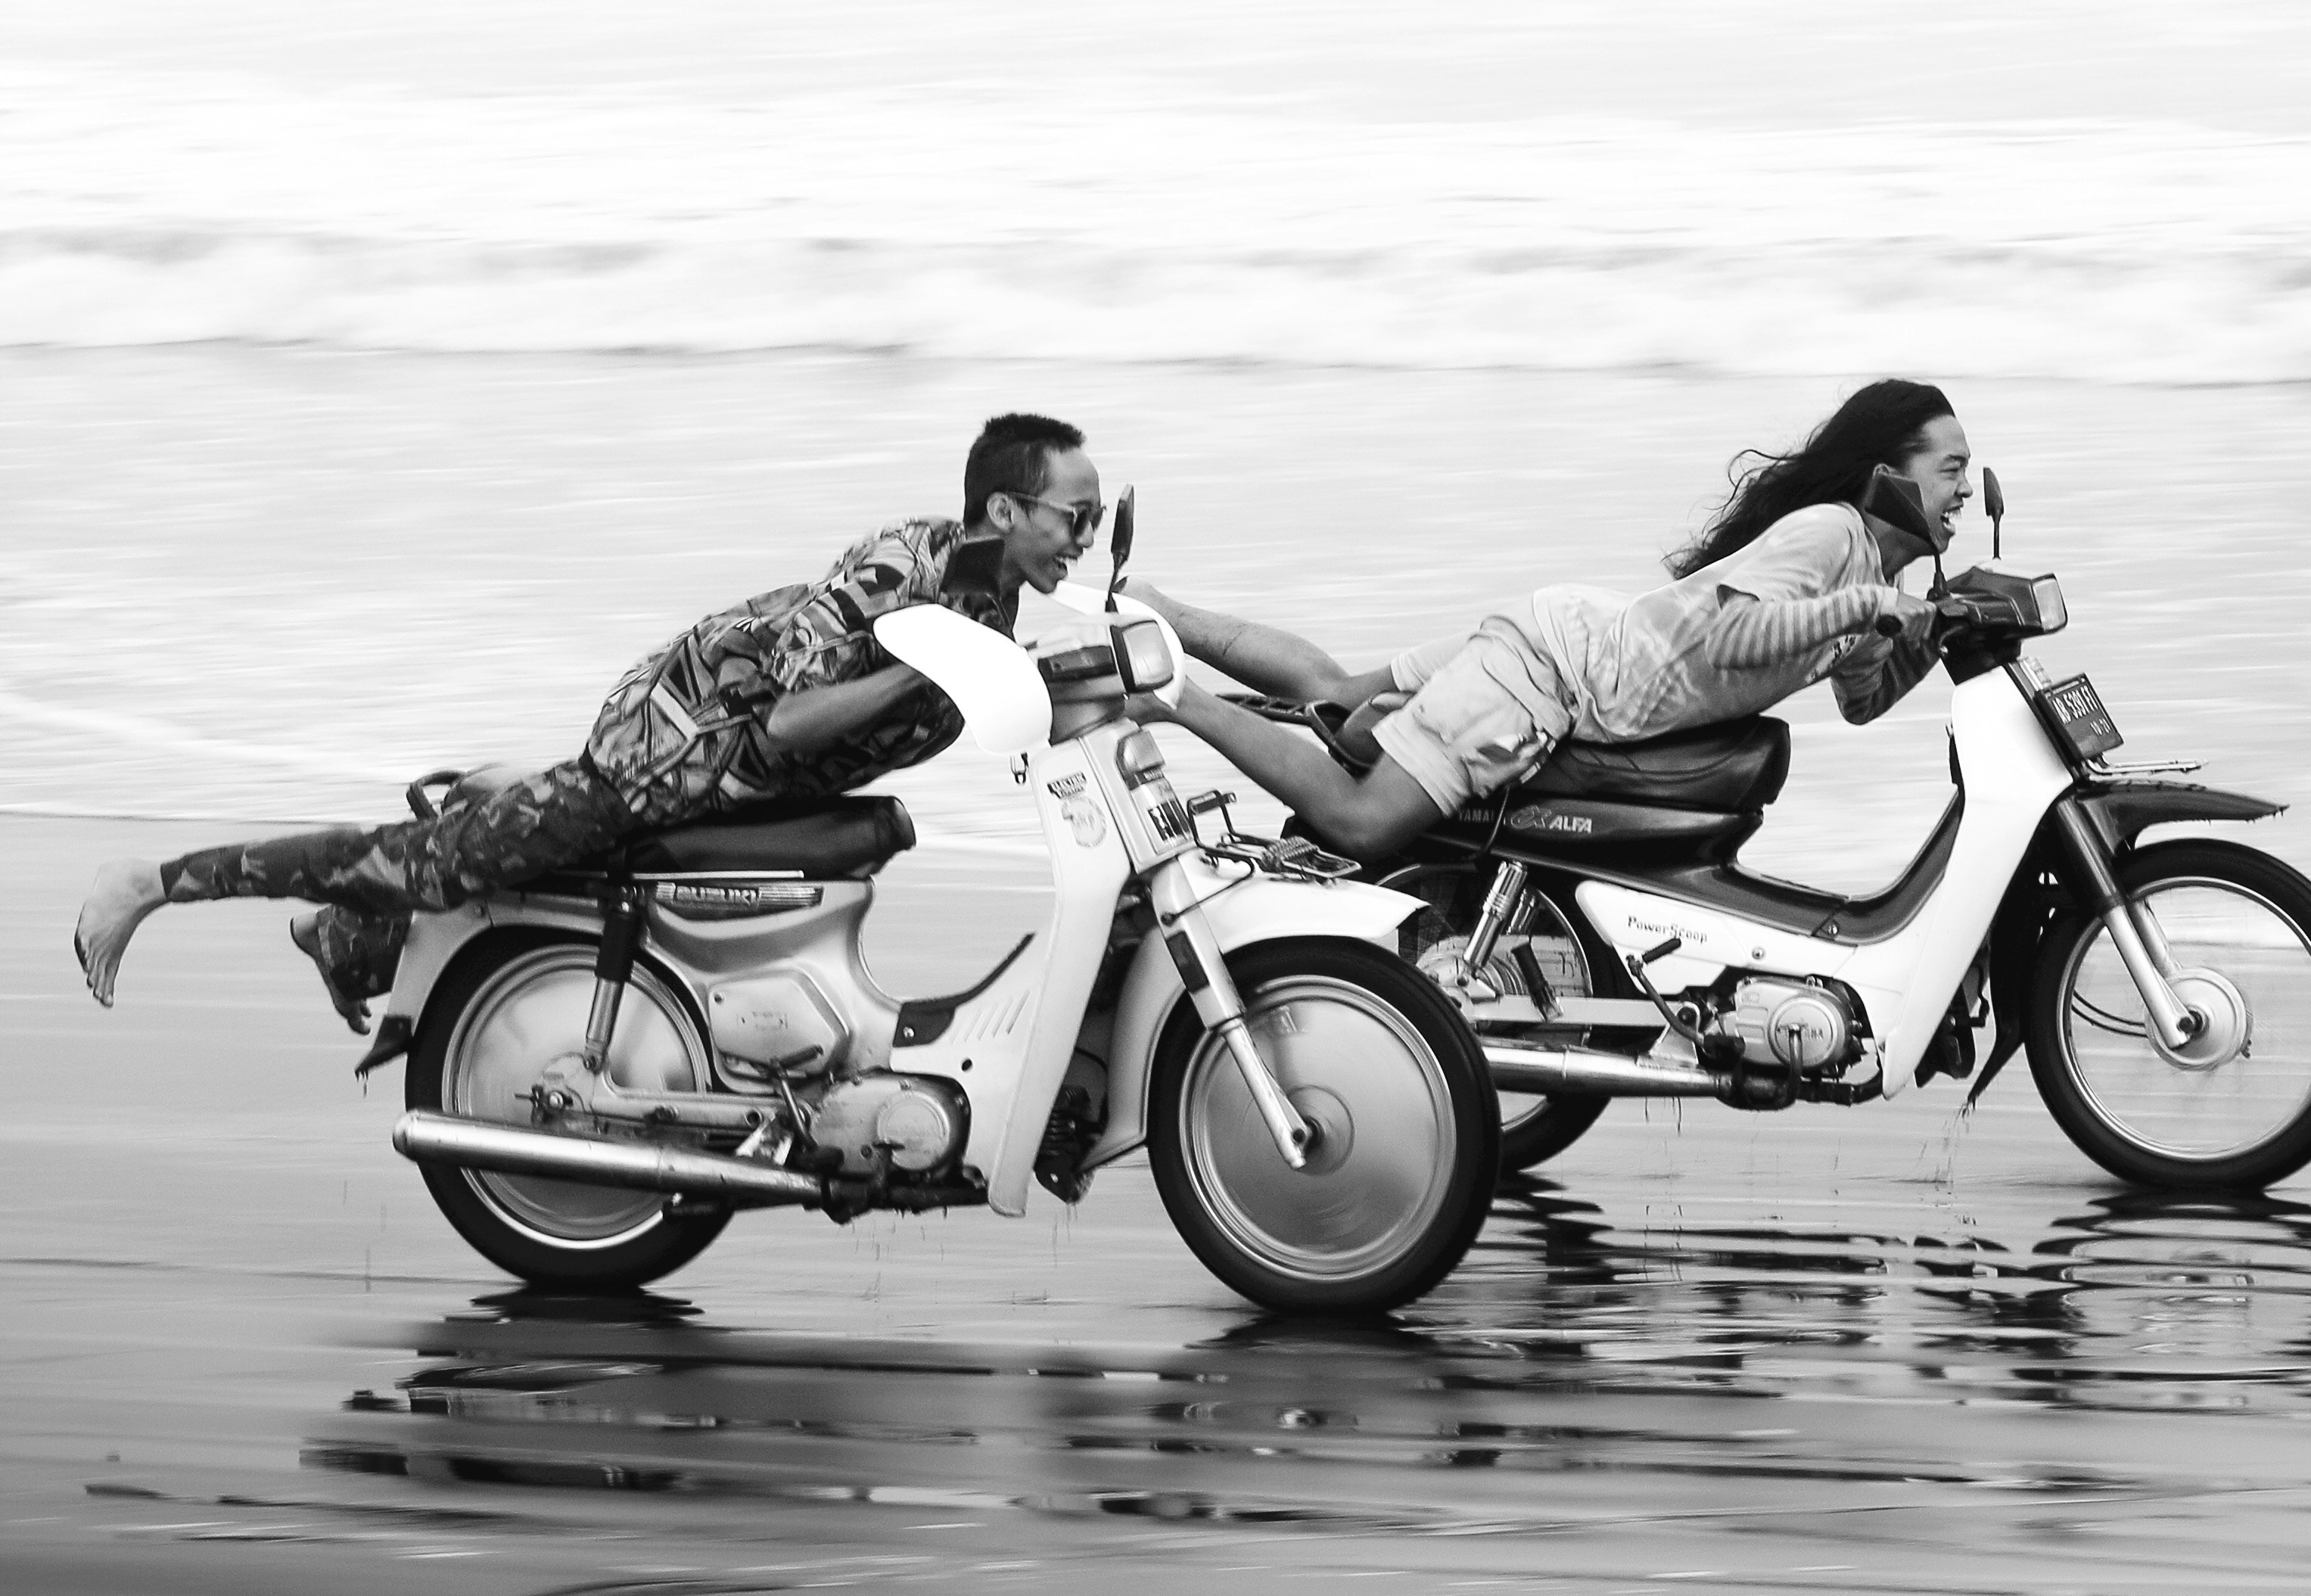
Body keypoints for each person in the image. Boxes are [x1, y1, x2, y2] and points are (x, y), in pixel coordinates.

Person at [73, 411, 1106, 1028]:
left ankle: (343, 937)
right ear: (1008, 512)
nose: (1085, 536)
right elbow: (793, 723)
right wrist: (923, 663)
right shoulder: (905, 574)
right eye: (1076, 516)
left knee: (495, 867)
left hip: (741, 791)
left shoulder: (989, 598)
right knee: (428, 867)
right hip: (664, 759)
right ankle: (157, 884)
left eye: (1097, 520)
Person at [1150, 379, 1975, 870]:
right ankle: (1165, 692)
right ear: (1887, 475)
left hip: (1566, 641)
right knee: (1365, 820)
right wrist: (1871, 606)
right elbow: (1732, 634)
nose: (1966, 490)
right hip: (1554, 675)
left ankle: (1161, 612)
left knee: (1334, 699)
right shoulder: (1831, 534)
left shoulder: (1874, 570)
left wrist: (1933, 632)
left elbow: (1860, 700)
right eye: (1951, 470)